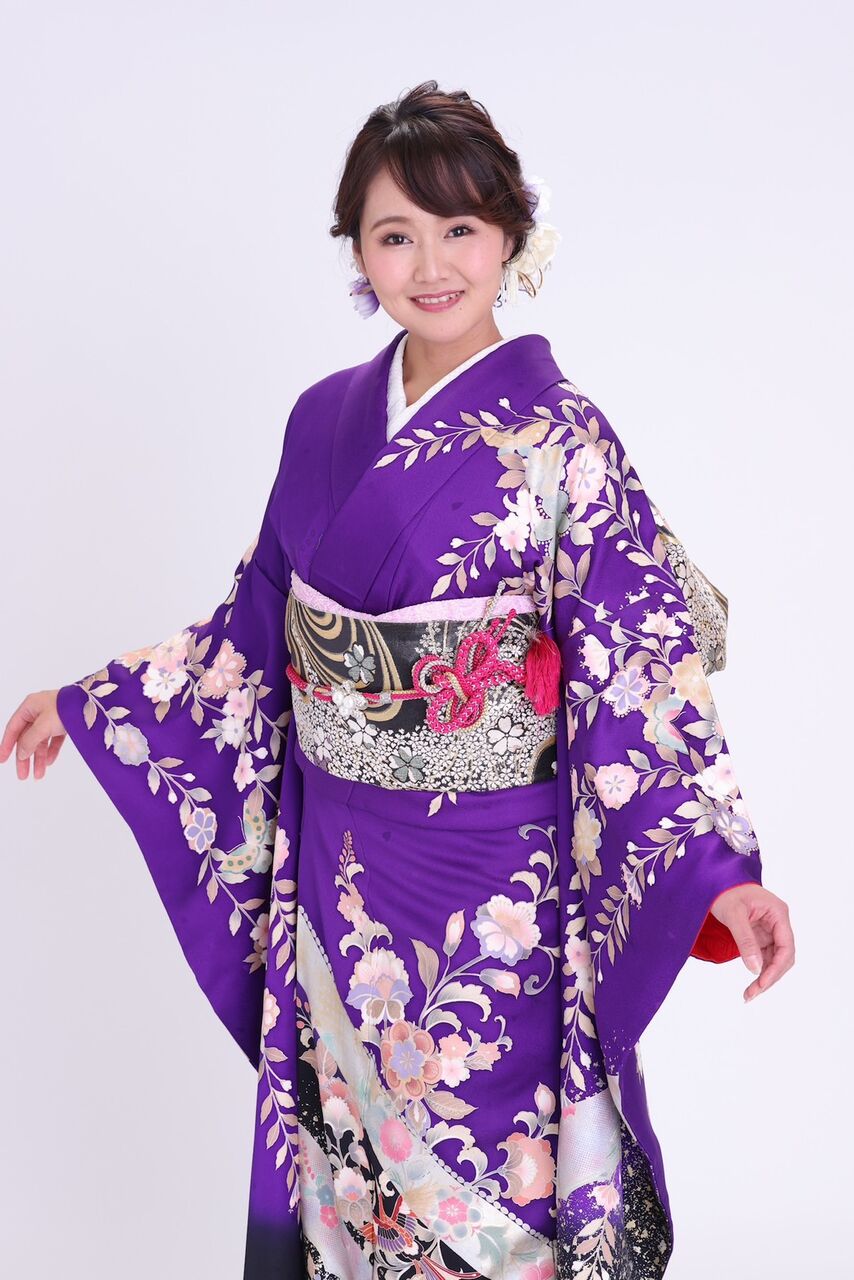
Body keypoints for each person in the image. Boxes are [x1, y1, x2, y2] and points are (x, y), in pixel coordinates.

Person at [1, 79, 794, 1279]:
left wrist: (717, 876)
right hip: (343, 880)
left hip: (498, 897)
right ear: (357, 251)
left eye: (458, 228)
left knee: (494, 1181)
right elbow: (254, 629)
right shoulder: (320, 421)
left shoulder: (563, 440)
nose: (429, 265)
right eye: (393, 235)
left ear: (510, 235)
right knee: (351, 1183)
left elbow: (637, 669)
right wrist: (98, 701)